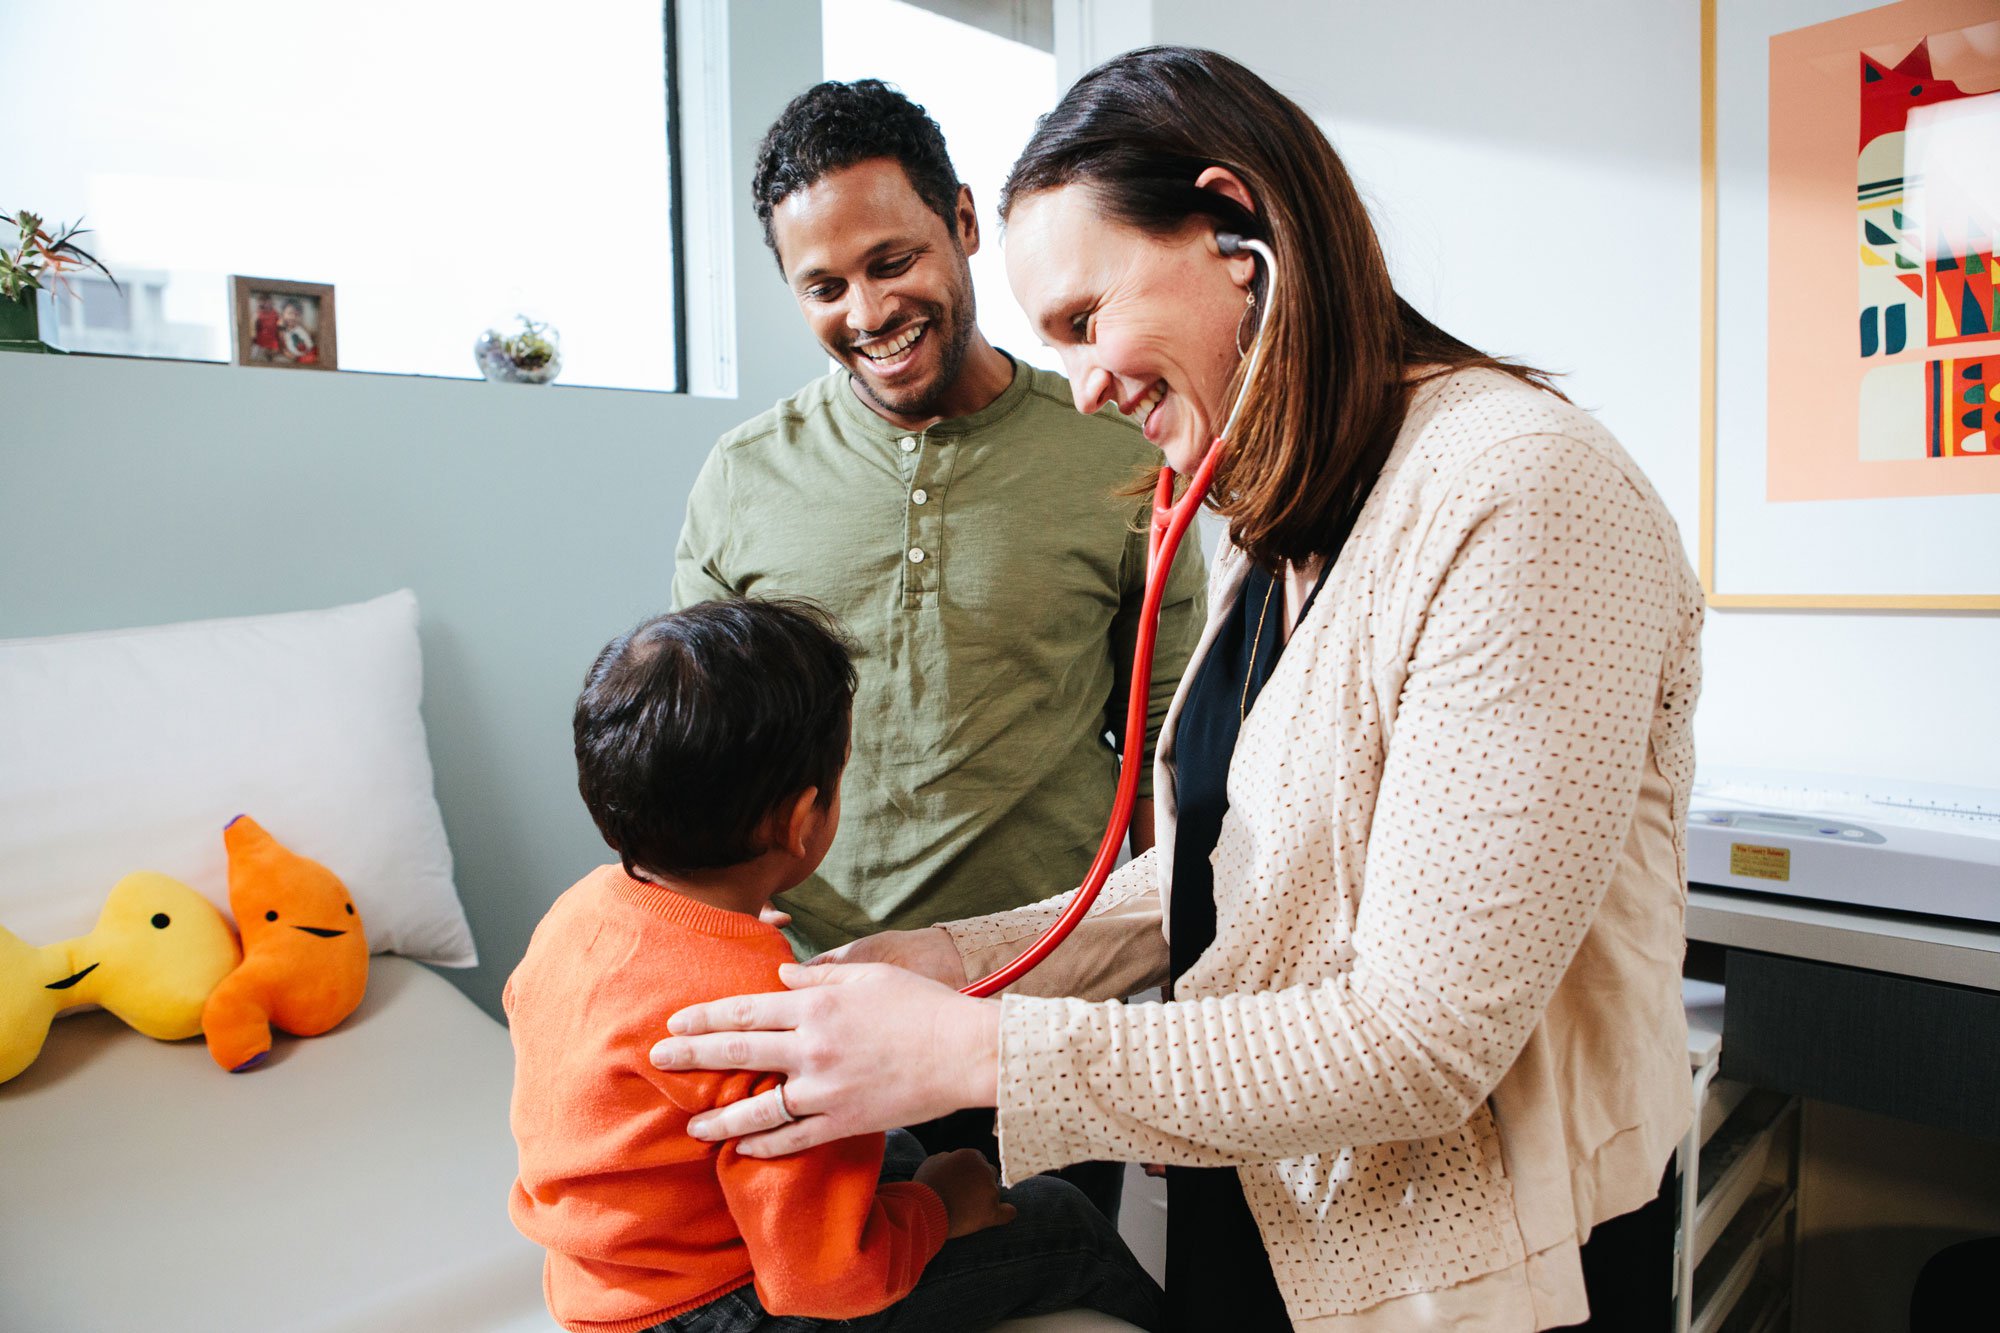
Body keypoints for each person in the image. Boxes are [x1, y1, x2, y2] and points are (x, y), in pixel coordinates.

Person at [648, 46, 1705, 1333]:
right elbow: (1218, 879)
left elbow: (1421, 1040)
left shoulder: (1520, 489)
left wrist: (975, 1052)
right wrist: (952, 963)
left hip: (1469, 1272)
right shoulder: (1278, 514)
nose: (1084, 385)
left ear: (1234, 231)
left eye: (1087, 322)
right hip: (1267, 1207)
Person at [672, 77, 1206, 1221]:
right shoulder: (741, 478)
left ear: (962, 224)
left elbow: (1167, 739)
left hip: (1042, 994)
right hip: (810, 1001)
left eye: (890, 260)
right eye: (823, 285)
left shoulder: (1110, 443)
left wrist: (1175, 989)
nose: (865, 311)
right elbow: (694, 764)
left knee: (1047, 1285)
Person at [506, 598, 1166, 1333]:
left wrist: (731, 938)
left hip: (607, 1283)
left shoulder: (574, 917)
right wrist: (941, 1208)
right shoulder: (767, 1020)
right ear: (800, 821)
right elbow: (820, 1276)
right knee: (1062, 1218)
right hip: (728, 1309)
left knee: (900, 1146)